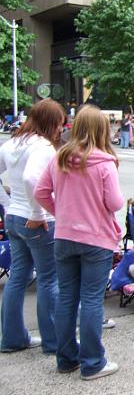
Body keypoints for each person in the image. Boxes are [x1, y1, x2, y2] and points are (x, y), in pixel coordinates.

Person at [34, 105, 124, 380]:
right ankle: (92, 362)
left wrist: (60, 212)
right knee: (91, 300)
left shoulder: (59, 158)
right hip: (96, 239)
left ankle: (66, 358)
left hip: (63, 236)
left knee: (66, 298)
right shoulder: (105, 164)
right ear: (101, 130)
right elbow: (115, 203)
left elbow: (40, 192)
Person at [0, 99, 66, 354]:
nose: (61, 129)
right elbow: (31, 178)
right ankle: (52, 342)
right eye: (60, 123)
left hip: (14, 218)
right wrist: (38, 211)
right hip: (36, 221)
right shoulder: (43, 148)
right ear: (51, 122)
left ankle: (13, 338)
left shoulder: (13, 143)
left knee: (18, 276)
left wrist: (7, 203)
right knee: (49, 279)